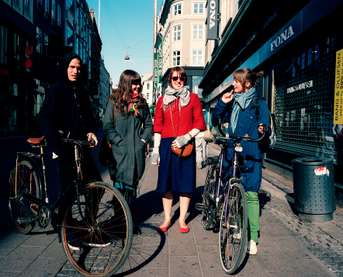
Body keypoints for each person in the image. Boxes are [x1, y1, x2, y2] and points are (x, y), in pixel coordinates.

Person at [212, 68, 270, 255]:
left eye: (237, 81)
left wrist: (262, 128)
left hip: (251, 153)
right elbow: (215, 119)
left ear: (247, 84)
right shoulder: (232, 101)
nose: (234, 84)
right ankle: (235, 226)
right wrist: (222, 103)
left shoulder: (259, 102)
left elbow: (265, 122)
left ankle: (253, 237)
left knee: (252, 195)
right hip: (232, 152)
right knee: (232, 190)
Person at [151, 66, 206, 233]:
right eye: (175, 78)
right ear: (170, 80)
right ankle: (167, 218)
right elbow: (158, 126)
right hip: (167, 145)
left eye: (181, 77)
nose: (178, 80)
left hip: (186, 145)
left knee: (186, 183)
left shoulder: (193, 98)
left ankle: (182, 219)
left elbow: (200, 124)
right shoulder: (162, 100)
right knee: (166, 183)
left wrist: (186, 137)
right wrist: (155, 149)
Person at [39, 53, 98, 206]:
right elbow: (46, 118)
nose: (75, 71)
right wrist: (55, 141)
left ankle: (90, 223)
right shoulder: (56, 90)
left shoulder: (82, 90)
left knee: (96, 185)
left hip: (79, 144)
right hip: (61, 145)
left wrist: (91, 130)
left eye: (78, 68)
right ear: (65, 68)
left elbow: (88, 116)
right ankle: (65, 226)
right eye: (72, 67)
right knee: (66, 190)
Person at [102, 69, 152, 205]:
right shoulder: (114, 102)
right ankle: (120, 221)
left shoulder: (142, 104)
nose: (137, 86)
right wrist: (118, 142)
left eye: (138, 83)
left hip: (136, 153)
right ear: (125, 84)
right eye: (133, 83)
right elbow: (107, 125)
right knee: (119, 188)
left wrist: (142, 141)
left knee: (131, 190)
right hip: (118, 153)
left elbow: (148, 125)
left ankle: (129, 220)